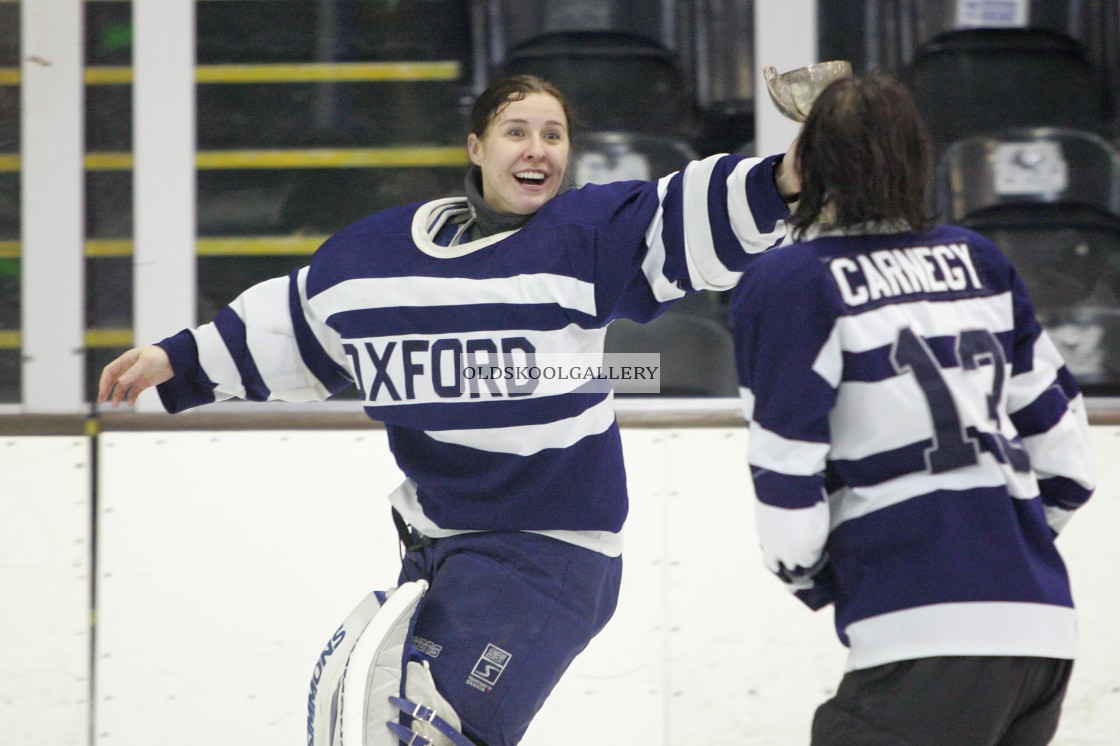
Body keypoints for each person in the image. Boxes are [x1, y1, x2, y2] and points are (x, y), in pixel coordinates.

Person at [99, 74, 800, 745]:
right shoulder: (370, 259)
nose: (537, 149)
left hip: (551, 555)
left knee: (428, 733)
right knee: (378, 728)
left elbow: (684, 217)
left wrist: (785, 178)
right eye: (516, 131)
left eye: (553, 135)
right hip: (439, 552)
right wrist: (178, 361)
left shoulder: (585, 239)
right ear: (476, 147)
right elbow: (294, 325)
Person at [729, 72, 1096, 745]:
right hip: (1042, 632)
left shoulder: (789, 283)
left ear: (813, 162)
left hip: (918, 636)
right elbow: (1070, 461)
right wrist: (996, 544)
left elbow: (785, 477)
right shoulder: (980, 261)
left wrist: (816, 578)